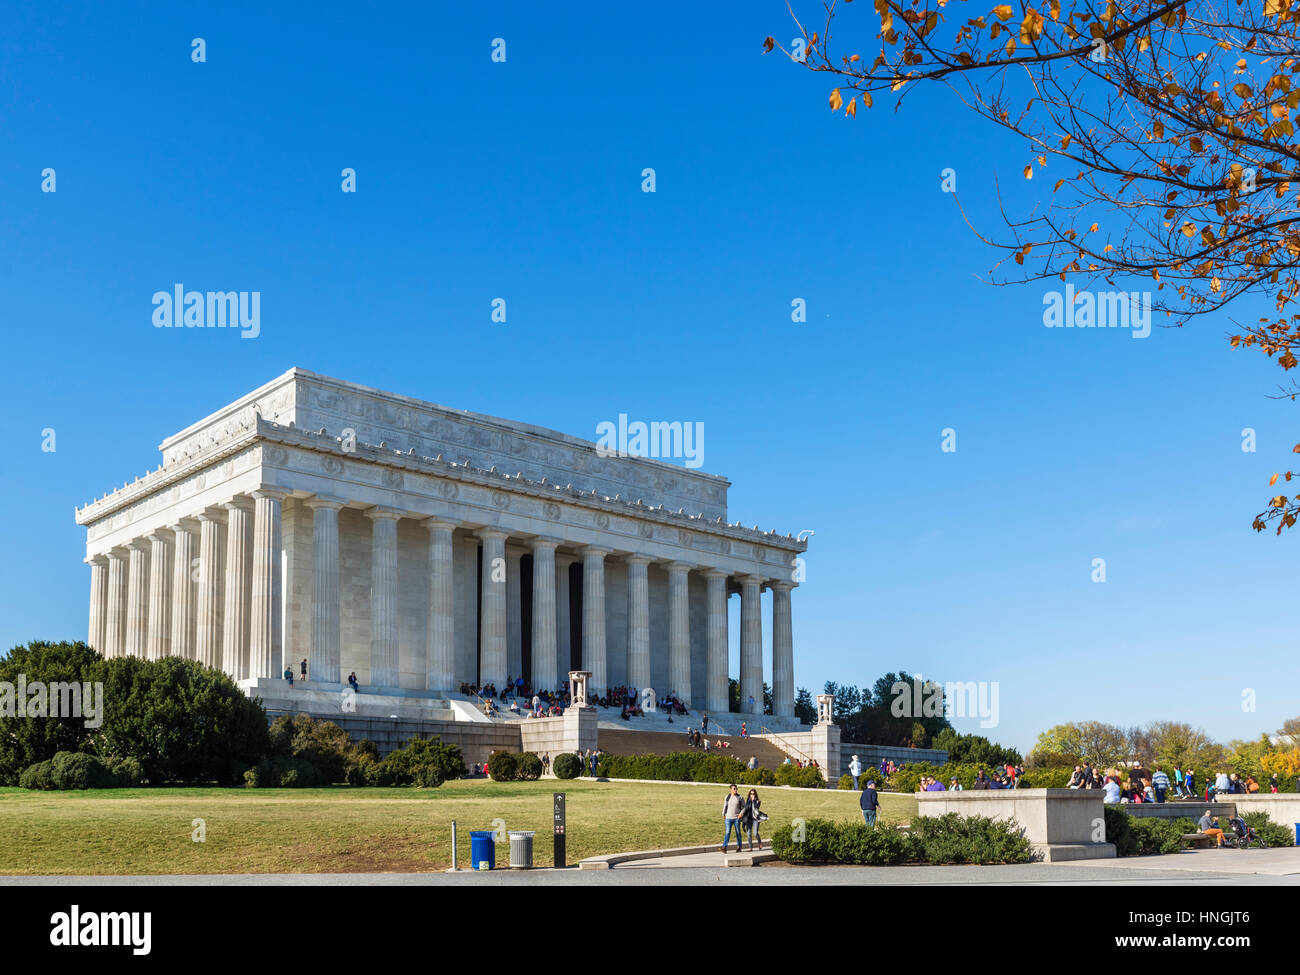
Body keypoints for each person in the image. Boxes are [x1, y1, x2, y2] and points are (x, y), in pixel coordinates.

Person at [722, 784, 745, 853]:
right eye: (734, 788)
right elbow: (725, 806)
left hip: (736, 818)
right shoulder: (727, 797)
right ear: (730, 789)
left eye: (736, 789)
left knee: (738, 833)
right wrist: (723, 814)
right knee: (727, 832)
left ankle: (739, 847)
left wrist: (741, 814)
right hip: (728, 818)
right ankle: (724, 847)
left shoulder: (740, 797)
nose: (735, 790)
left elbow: (745, 807)